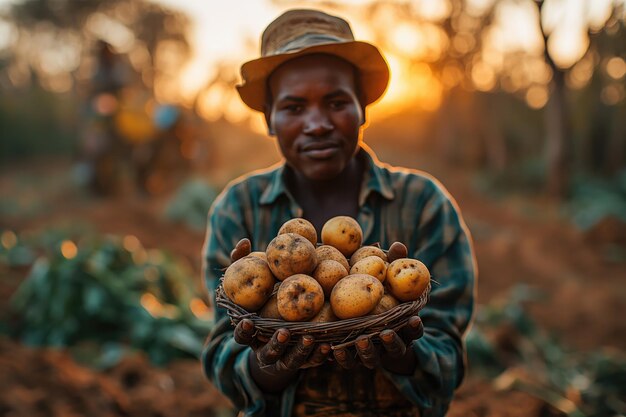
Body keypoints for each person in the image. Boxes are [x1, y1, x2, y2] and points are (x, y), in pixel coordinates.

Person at [201, 9, 476, 417]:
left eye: (335, 102)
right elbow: (221, 358)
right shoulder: (237, 208)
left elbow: (448, 356)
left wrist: (399, 354)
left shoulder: (423, 203)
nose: (316, 124)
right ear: (269, 120)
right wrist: (268, 364)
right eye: (294, 107)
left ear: (362, 109)